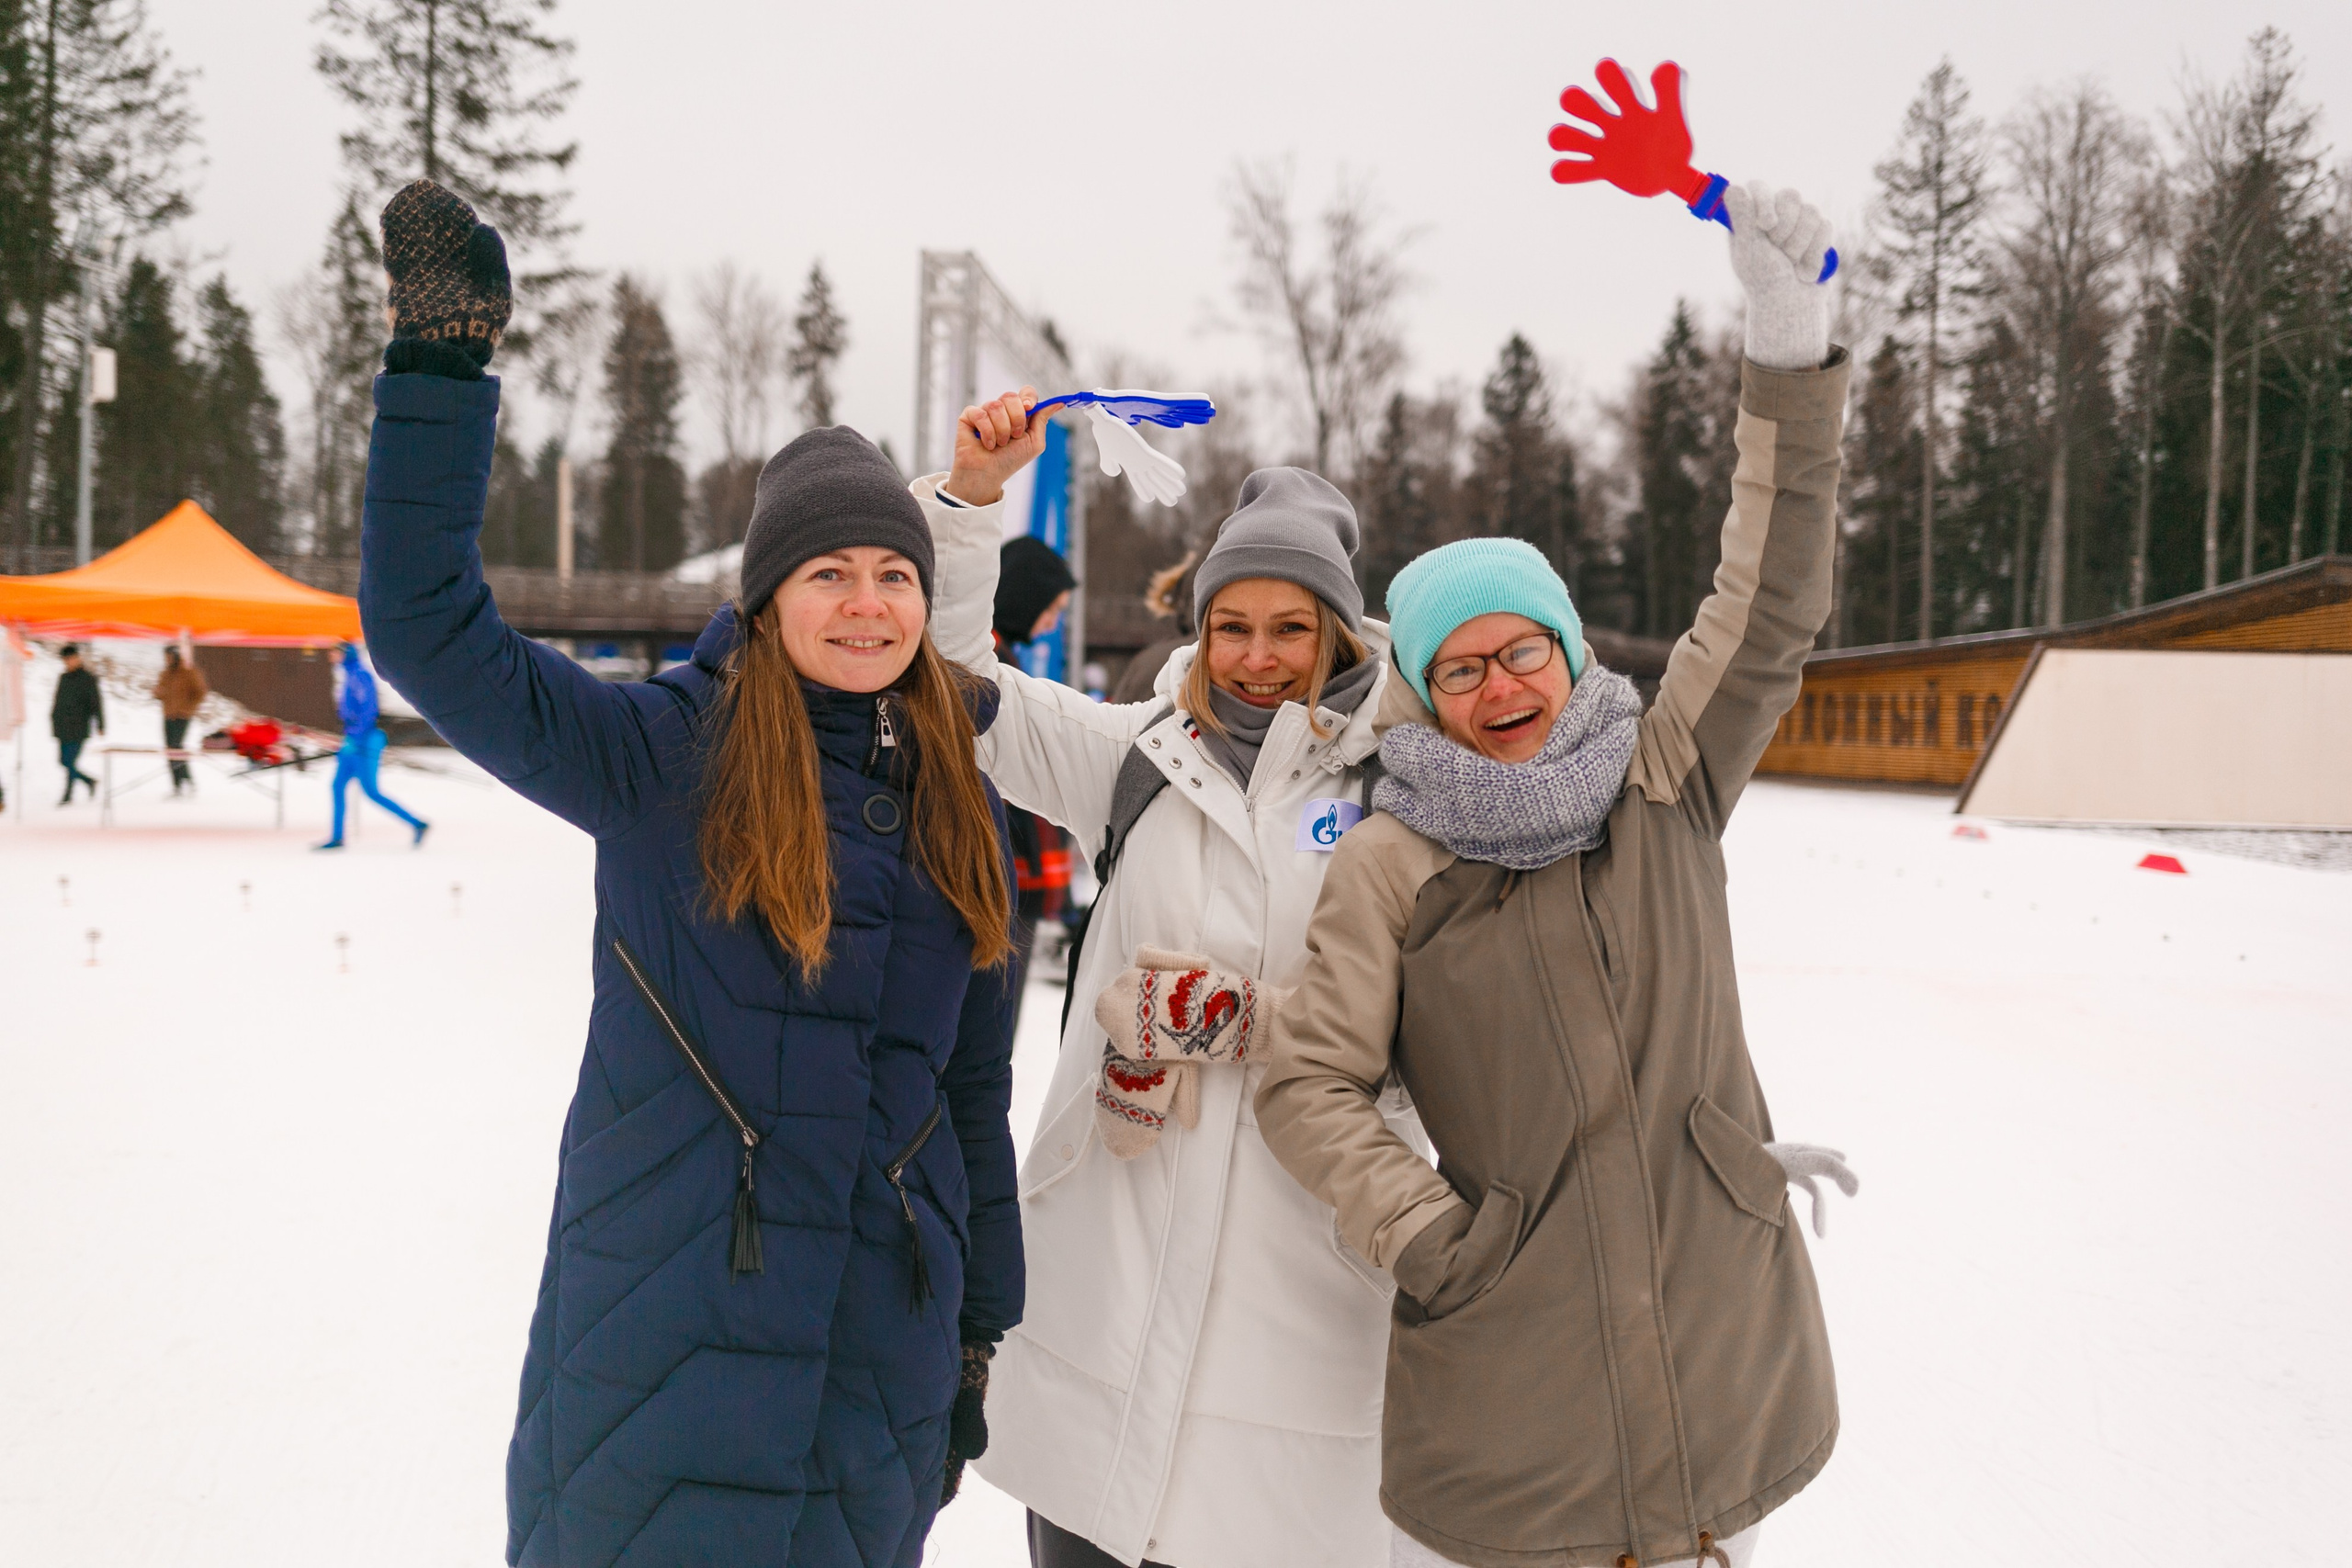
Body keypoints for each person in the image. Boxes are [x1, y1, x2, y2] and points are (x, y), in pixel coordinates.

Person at [355, 179, 1024, 1568]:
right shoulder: (664, 756)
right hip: (659, 1351)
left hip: (874, 1369)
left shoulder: (955, 796)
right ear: (769, 601)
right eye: (828, 573)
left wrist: (976, 1331)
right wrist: (439, 363)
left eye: (893, 576)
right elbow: (428, 630)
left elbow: (969, 1094)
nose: (866, 603)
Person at [1256, 185, 1859, 1568]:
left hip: (1719, 1345)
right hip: (1511, 1383)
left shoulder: (1662, 777)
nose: (1500, 683)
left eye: (1522, 647)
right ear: (1421, 691)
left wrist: (1785, 345)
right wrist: (1431, 1232)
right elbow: (1308, 1080)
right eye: (1460, 666)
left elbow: (1768, 599)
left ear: (1571, 651)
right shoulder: (1395, 861)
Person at [922, 397, 1423, 1568]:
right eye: (1233, 624)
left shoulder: (1403, 787)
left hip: (1301, 1300)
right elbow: (949, 682)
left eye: (1289, 627)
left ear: (1340, 633)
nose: (1257, 658)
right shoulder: (1135, 758)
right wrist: (971, 501)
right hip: (1114, 1278)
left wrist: (1252, 1024)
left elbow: (1454, 1027)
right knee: (1093, 1523)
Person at [990, 535, 1079, 991]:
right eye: (1053, 607)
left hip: (1006, 874)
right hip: (1004, 878)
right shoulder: (988, 666)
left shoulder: (1000, 658)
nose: (1052, 622)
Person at [315, 643, 429, 850]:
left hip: (366, 739)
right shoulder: (348, 674)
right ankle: (337, 837)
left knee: (371, 791)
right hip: (352, 739)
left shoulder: (360, 675)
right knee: (338, 785)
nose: (330, 655)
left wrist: (356, 738)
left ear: (344, 653)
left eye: (334, 651)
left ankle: (417, 823)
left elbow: (369, 710)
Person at [51, 643, 103, 805]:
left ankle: (68, 795)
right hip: (63, 726)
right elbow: (57, 701)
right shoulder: (64, 678)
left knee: (69, 762)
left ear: (77, 658)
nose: (67, 662)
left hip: (79, 727)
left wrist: (101, 724)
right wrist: (53, 718)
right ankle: (89, 781)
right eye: (65, 660)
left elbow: (96, 703)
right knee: (63, 761)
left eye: (69, 659)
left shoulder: (88, 678)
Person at [153, 646, 209, 795]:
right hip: (168, 714)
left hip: (183, 716)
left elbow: (200, 692)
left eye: (169, 657)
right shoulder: (165, 673)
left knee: (176, 747)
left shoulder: (189, 671)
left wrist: (188, 709)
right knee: (170, 749)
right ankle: (177, 783)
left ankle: (185, 780)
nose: (167, 660)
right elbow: (160, 691)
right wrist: (158, 693)